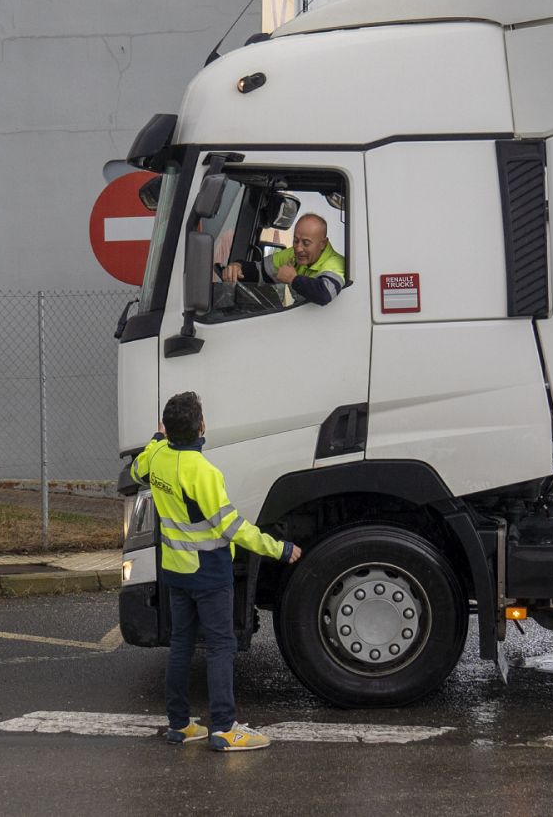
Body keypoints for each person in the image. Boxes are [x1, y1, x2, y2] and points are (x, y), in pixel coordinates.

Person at [130, 391, 302, 752]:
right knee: (221, 646)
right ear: (201, 427)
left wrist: (156, 440)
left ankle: (179, 726)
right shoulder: (204, 472)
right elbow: (232, 528)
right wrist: (279, 549)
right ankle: (223, 728)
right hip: (208, 573)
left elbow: (136, 470)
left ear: (168, 428)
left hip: (175, 571)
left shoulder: (158, 457)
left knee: (181, 645)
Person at [222, 213, 346, 305]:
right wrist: (237, 267)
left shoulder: (336, 263)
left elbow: (324, 294)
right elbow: (260, 271)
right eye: (296, 240)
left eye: (306, 243)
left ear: (323, 243)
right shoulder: (291, 254)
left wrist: (293, 279)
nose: (298, 248)